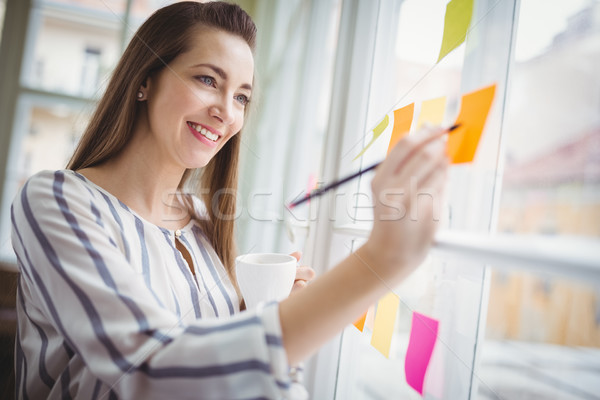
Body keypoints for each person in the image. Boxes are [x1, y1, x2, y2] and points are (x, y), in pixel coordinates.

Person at [11, 1, 449, 399]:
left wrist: (275, 312)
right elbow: (151, 372)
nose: (227, 111)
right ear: (145, 81)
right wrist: (382, 260)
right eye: (207, 80)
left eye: (241, 96)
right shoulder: (55, 200)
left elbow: (227, 373)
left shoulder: (205, 223)